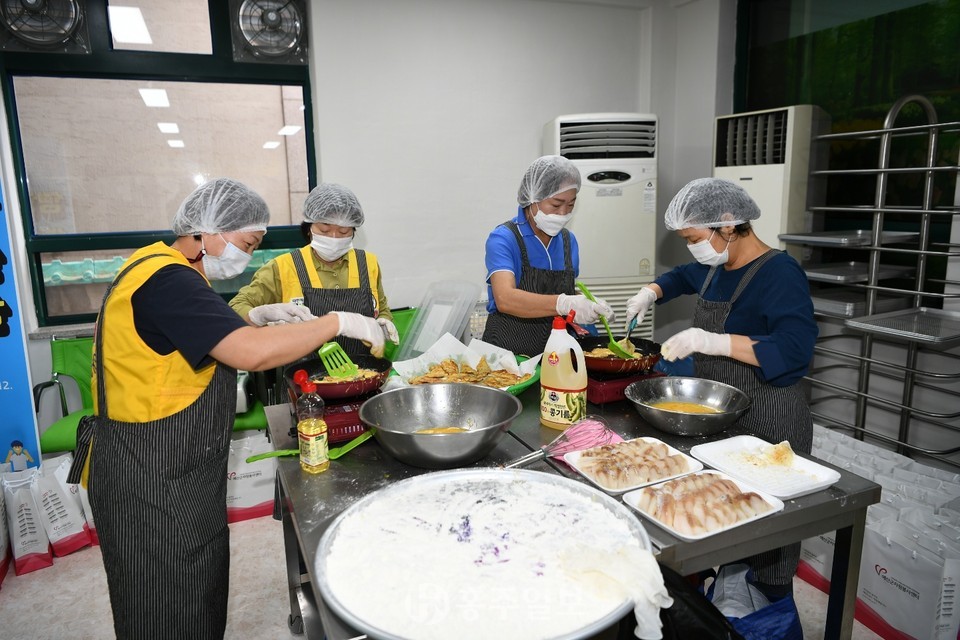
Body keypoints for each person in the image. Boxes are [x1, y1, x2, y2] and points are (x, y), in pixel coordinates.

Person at [85, 178, 394, 640]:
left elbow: (202, 330)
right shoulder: (167, 280)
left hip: (173, 462)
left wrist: (256, 316)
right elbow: (249, 354)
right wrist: (336, 322)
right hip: (149, 473)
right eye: (247, 243)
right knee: (163, 603)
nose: (247, 255)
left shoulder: (166, 268)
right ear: (209, 229)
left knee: (197, 586)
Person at [624, 177, 818, 602]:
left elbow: (795, 350)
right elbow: (681, 276)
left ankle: (770, 617)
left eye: (694, 238)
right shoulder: (719, 267)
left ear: (727, 224)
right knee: (725, 524)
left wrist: (713, 342)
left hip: (771, 422)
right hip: (727, 415)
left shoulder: (780, 273)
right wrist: (649, 293)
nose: (693, 247)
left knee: (766, 547)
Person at [229, 182, 397, 355]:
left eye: (343, 231)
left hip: (365, 374)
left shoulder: (368, 263)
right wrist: (260, 315)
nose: (333, 237)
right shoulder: (282, 268)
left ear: (353, 230)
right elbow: (235, 308)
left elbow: (380, 307)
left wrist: (384, 322)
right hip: (303, 377)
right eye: (324, 229)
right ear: (309, 228)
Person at [482, 155, 614, 356]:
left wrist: (587, 303)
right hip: (508, 356)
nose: (563, 213)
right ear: (533, 198)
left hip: (555, 355)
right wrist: (564, 303)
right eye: (556, 204)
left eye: (570, 205)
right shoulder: (505, 238)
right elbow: (505, 298)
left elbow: (564, 291)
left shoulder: (569, 242)